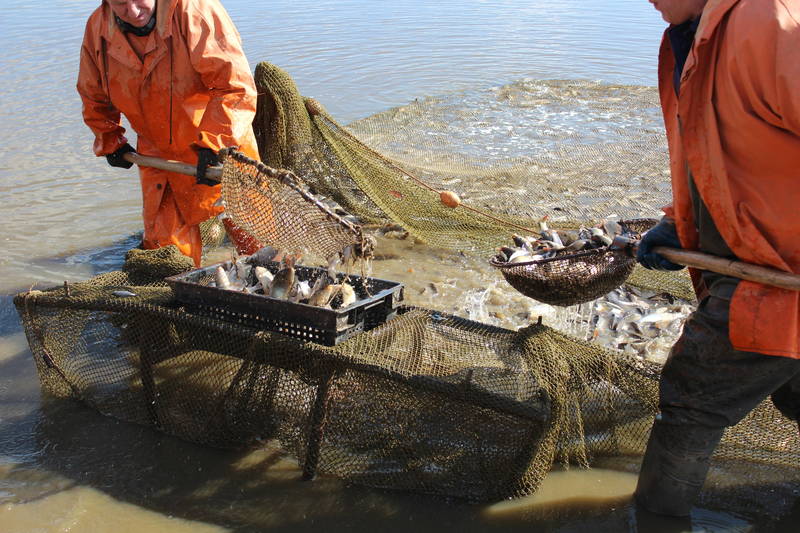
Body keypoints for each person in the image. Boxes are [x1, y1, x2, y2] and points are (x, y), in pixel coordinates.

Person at [634, 0, 800, 517]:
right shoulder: (691, 35)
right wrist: (683, 223)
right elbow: (715, 155)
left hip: (778, 282)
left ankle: (657, 523)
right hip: (753, 265)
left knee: (690, 402)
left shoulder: (770, 24)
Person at [77, 0, 261, 266]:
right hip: (158, 155)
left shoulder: (195, 11)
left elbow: (236, 88)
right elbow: (91, 92)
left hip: (220, 144)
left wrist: (214, 145)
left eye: (138, 0)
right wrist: (110, 139)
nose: (133, 12)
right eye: (120, 4)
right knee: (165, 258)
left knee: (259, 245)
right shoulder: (98, 27)